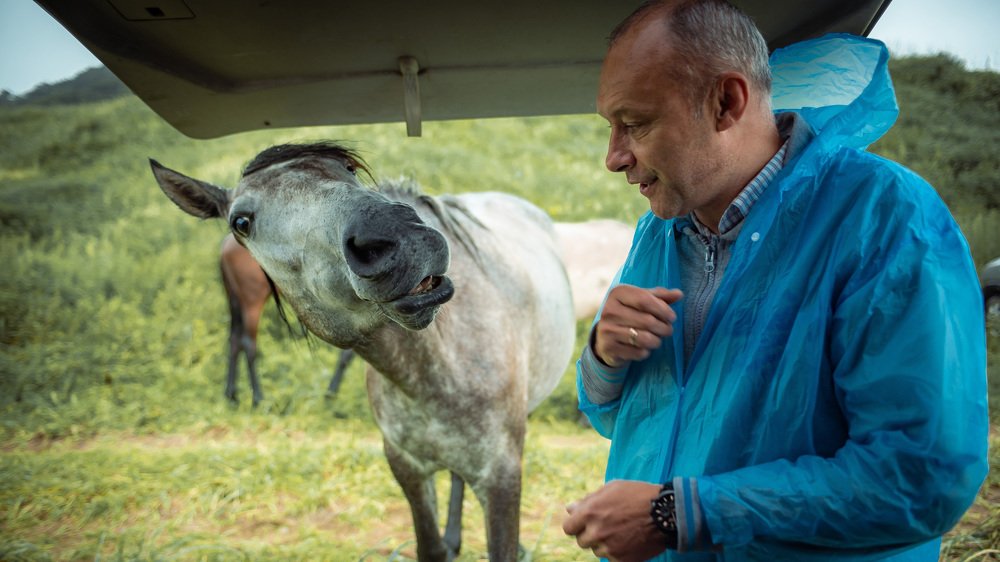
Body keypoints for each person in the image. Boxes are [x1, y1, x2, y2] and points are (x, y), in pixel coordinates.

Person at [561, 1, 989, 561]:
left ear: (726, 102)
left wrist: (677, 513)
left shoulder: (883, 218)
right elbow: (621, 418)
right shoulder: (659, 233)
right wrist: (602, 358)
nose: (613, 158)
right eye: (610, 127)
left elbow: (921, 475)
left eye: (634, 124)